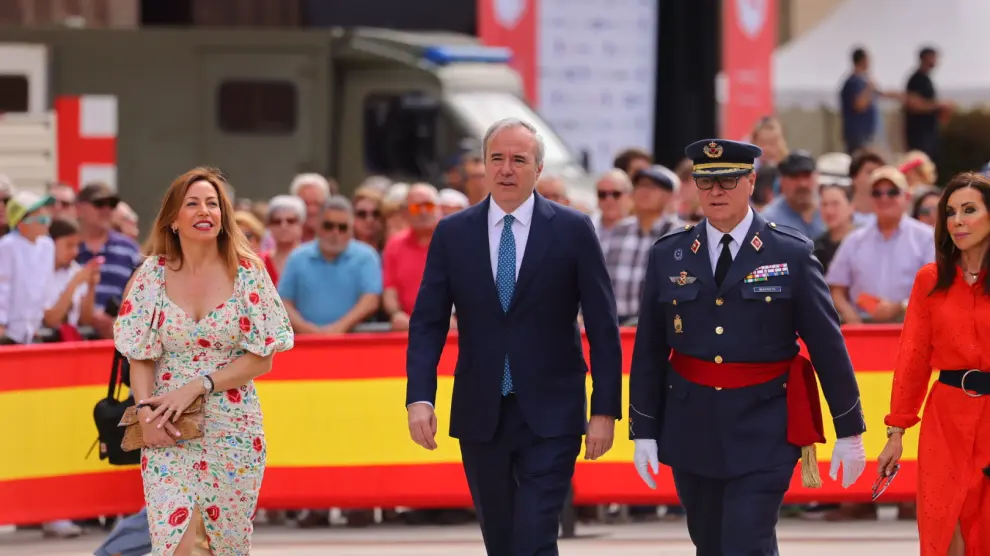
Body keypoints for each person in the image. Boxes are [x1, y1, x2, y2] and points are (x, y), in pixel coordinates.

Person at [628, 138, 868, 555]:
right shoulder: (671, 254)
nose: (716, 193)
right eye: (706, 183)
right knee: (711, 544)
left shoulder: (789, 252)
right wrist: (643, 430)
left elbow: (827, 345)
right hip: (692, 425)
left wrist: (850, 430)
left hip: (764, 426)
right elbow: (649, 349)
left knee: (746, 542)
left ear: (751, 181)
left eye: (728, 181)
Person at [405, 117, 623, 556]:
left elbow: (602, 325)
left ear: (538, 169)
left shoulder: (572, 229)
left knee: (534, 536)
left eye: (519, 160)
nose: (506, 169)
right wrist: (419, 397)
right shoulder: (454, 233)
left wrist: (604, 410)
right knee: (502, 541)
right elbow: (427, 321)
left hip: (553, 412)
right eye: (497, 159)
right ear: (484, 166)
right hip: (481, 411)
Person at [113, 166, 293, 555]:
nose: (204, 210)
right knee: (173, 545)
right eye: (191, 203)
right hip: (167, 428)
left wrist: (198, 385)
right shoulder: (150, 276)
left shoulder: (248, 273)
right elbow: (140, 355)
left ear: (224, 217)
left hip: (233, 428)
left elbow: (262, 360)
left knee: (224, 546)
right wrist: (145, 412)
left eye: (213, 203)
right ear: (173, 219)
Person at [877, 172, 990, 555]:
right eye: (951, 212)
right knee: (944, 527)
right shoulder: (930, 280)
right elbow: (913, 358)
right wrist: (896, 431)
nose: (958, 220)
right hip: (945, 420)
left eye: (970, 210)